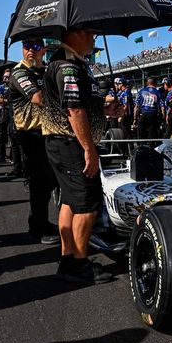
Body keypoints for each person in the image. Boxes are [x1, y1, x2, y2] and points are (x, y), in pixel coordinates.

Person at [42, 28, 123, 283]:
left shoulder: (75, 63)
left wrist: (105, 109)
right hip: (70, 143)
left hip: (64, 142)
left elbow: (82, 105)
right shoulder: (67, 66)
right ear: (75, 34)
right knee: (88, 203)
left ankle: (69, 259)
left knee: (70, 200)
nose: (94, 38)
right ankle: (78, 263)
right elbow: (74, 110)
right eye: (89, 33)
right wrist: (89, 148)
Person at [9, 38, 59, 245]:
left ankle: (44, 222)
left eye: (36, 47)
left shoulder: (46, 71)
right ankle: (37, 227)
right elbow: (38, 98)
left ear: (44, 50)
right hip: (30, 134)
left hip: (49, 131)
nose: (31, 51)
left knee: (50, 182)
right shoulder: (19, 72)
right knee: (39, 183)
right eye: (27, 46)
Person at [0, 70, 12, 164]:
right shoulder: (1, 87)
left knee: (12, 134)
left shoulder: (14, 86)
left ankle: (12, 156)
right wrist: (9, 100)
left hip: (13, 112)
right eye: (4, 76)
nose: (5, 78)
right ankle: (1, 156)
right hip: (4, 112)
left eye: (7, 77)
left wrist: (5, 100)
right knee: (1, 133)